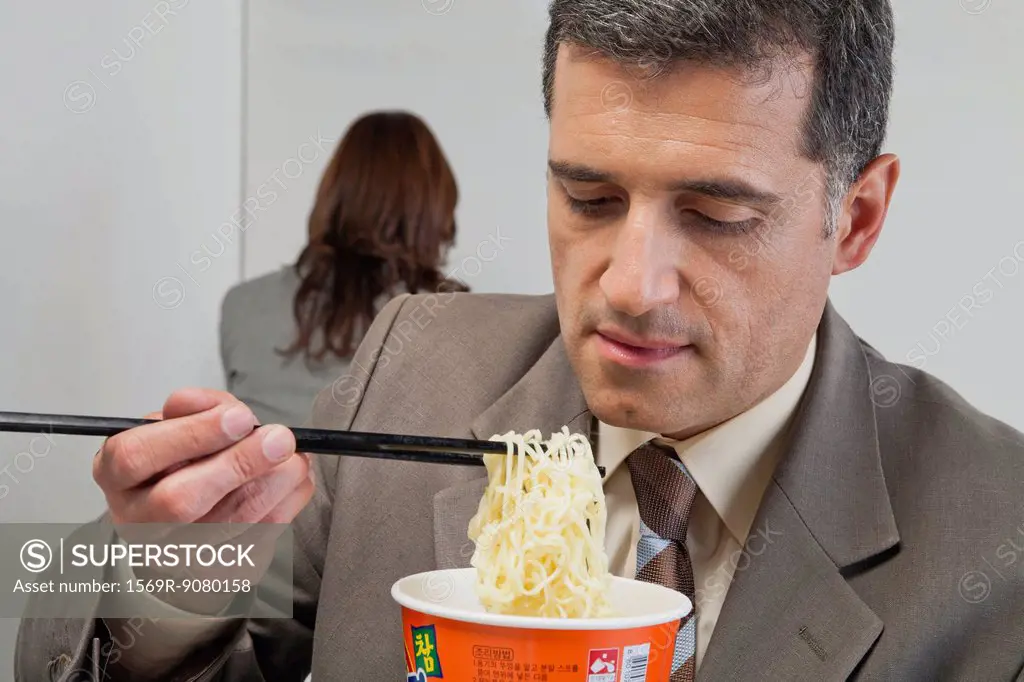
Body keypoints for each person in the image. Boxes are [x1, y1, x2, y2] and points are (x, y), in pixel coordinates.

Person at [16, 1, 1024, 680]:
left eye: (717, 215)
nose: (629, 286)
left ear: (854, 217)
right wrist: (160, 580)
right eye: (587, 196)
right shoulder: (410, 367)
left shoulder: (994, 537)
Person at [218, 110, 466, 427]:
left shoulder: (242, 304)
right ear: (433, 210)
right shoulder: (457, 318)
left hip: (267, 473)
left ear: (332, 195)